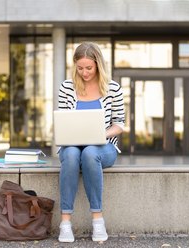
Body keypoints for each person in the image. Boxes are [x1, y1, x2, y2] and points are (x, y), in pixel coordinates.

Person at [57, 42, 125, 243]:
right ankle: (65, 223)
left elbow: (119, 124)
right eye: (80, 68)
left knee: (89, 153)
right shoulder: (67, 87)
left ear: (98, 65)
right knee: (71, 154)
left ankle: (97, 220)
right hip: (71, 146)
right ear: (75, 66)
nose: (84, 73)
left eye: (89, 68)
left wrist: (100, 135)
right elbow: (63, 120)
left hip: (104, 147)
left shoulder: (113, 88)